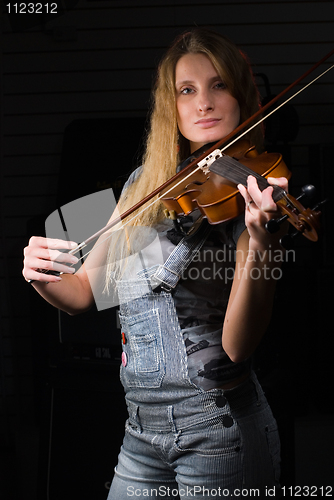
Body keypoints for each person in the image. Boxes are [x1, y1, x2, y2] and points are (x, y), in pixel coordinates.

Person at [23, 29, 288, 499]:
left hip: (218, 427)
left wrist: (261, 240)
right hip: (141, 431)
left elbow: (238, 346)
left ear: (241, 96)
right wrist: (41, 275)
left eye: (219, 84)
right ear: (172, 107)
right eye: (187, 90)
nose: (203, 102)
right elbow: (83, 293)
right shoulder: (142, 183)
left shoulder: (254, 192)